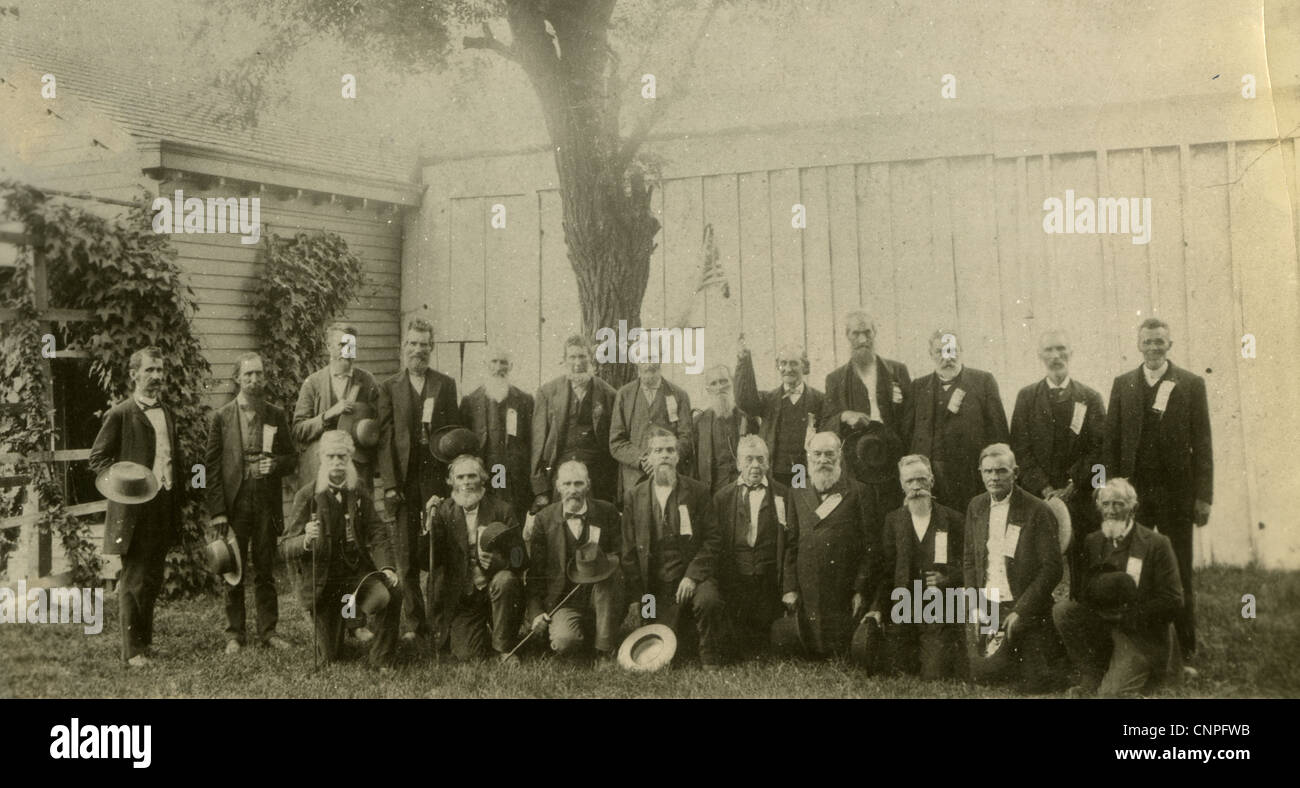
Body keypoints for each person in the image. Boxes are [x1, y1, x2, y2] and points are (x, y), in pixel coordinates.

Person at [1103, 317, 1212, 664]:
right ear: (1139, 345)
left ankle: (1186, 646)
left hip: (1177, 496)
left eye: (1159, 342)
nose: (1153, 348)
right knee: (1135, 567)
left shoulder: (1190, 384)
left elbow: (1203, 445)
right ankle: (1142, 643)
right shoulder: (1123, 385)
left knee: (1179, 568)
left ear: (1170, 345)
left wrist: (1203, 496)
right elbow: (1111, 444)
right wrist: (1112, 495)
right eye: (1147, 342)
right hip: (1136, 499)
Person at [88, 347, 185, 667]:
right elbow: (98, 460)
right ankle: (132, 652)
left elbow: (172, 458)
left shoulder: (167, 412)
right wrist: (127, 483)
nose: (156, 376)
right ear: (134, 375)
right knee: (132, 579)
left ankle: (144, 642)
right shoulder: (120, 414)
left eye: (160, 370)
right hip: (133, 510)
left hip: (163, 504)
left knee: (153, 577)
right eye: (149, 371)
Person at [279, 431, 401, 670]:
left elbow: (377, 531)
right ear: (322, 458)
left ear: (350, 458)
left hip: (355, 573)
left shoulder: (358, 490)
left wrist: (386, 567)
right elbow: (284, 546)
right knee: (331, 656)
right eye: (331, 456)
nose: (337, 463)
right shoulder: (307, 496)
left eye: (342, 457)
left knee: (393, 591)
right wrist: (305, 540)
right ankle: (340, 623)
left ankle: (381, 659)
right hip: (324, 582)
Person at [1053, 478, 1183, 697]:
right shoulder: (1093, 541)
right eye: (1105, 504)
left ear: (1133, 507)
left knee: (1109, 695)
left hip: (1139, 632)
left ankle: (1146, 670)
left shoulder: (1156, 543)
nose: (1111, 511)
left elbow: (1173, 600)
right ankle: (1092, 672)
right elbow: (1084, 591)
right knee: (1063, 611)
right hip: (1103, 624)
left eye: (1118, 504)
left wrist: (1133, 615)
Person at [204, 352, 297, 653]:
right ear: (237, 379)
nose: (254, 380)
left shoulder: (276, 414)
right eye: (248, 375)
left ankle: (269, 632)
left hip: (266, 503)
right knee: (234, 569)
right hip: (235, 503)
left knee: (266, 569)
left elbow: (292, 458)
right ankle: (234, 634)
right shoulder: (222, 417)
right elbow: (212, 467)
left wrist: (277, 465)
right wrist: (218, 511)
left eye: (259, 374)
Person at [376, 317, 460, 642]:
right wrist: (390, 486)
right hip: (402, 483)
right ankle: (414, 623)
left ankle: (438, 619)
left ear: (432, 348)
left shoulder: (445, 385)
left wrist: (445, 488)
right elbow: (385, 440)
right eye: (412, 344)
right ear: (404, 347)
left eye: (424, 345)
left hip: (435, 482)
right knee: (406, 556)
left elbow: (453, 435)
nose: (418, 350)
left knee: (436, 553)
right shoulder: (389, 387)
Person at [1010, 330, 1106, 599]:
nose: (1056, 356)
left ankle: (1080, 615)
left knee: (1084, 565)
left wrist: (1075, 483)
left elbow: (1100, 448)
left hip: (1081, 496)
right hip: (1038, 497)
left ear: (1071, 353)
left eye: (1061, 349)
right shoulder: (1027, 397)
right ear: (1040, 356)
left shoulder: (1090, 397)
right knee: (1039, 564)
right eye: (1049, 350)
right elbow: (1020, 448)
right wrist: (1045, 489)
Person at [962, 443, 1064, 692]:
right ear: (980, 472)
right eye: (988, 472)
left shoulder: (1037, 510)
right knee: (982, 674)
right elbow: (968, 560)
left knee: (1035, 681)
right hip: (988, 604)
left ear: (1015, 472)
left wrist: (1021, 611)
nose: (994, 478)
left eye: (1001, 471)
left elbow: (1052, 569)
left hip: (1023, 606)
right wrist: (975, 604)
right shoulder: (976, 506)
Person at [619, 426, 724, 668]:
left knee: (708, 600)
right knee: (658, 644)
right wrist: (638, 596)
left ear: (678, 456)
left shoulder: (697, 491)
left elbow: (713, 540)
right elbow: (628, 552)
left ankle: (710, 659)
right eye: (658, 450)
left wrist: (692, 576)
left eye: (670, 450)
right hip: (653, 584)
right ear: (648, 457)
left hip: (689, 578)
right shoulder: (634, 496)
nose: (664, 455)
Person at [781, 432, 880, 659]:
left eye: (829, 454)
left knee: (841, 649)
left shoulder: (859, 492)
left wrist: (860, 588)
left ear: (840, 456)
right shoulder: (796, 492)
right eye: (817, 454)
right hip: (808, 588)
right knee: (811, 649)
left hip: (843, 587)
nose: (823, 459)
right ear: (808, 457)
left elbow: (871, 546)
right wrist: (789, 588)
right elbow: (791, 544)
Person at [424, 455, 526, 663]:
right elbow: (429, 563)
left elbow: (521, 558)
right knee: (467, 656)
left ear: (483, 479)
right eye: (460, 477)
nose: (466, 482)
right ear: (451, 482)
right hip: (465, 596)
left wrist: (499, 562)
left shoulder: (502, 509)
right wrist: (429, 525)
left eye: (472, 476)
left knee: (505, 580)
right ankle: (476, 632)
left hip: (495, 590)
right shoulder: (443, 511)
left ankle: (503, 648)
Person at [871, 454, 965, 679]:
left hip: (939, 605)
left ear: (931, 481)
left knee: (935, 673)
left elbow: (971, 565)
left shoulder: (953, 519)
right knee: (895, 669)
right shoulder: (893, 521)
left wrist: (949, 578)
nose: (916, 487)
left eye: (921, 480)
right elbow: (886, 570)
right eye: (909, 482)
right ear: (901, 485)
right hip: (904, 605)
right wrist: (877, 607)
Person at [526, 460, 622, 662]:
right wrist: (536, 613)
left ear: (588, 485)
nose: (573, 490)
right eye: (567, 484)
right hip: (564, 600)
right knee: (565, 642)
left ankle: (604, 650)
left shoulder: (606, 512)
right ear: (558, 487)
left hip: (600, 596)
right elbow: (535, 573)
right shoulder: (544, 518)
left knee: (611, 578)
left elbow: (619, 555)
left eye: (578, 484)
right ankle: (585, 635)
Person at [905, 329, 1009, 513]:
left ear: (961, 350)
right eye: (940, 352)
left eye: (952, 350)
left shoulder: (982, 381)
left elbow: (999, 434)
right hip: (932, 480)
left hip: (970, 477)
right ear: (931, 355)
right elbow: (907, 435)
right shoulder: (918, 387)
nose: (947, 357)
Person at [712, 436, 793, 659]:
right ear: (738, 464)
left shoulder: (783, 494)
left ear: (768, 463)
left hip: (769, 577)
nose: (755, 466)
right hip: (736, 577)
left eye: (760, 459)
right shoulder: (723, 497)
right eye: (748, 459)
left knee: (770, 633)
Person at [822, 310, 912, 511]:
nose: (863, 339)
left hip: (893, 456)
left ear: (875, 333)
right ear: (847, 336)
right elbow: (825, 423)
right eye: (856, 333)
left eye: (867, 332)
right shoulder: (836, 379)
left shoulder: (897, 371)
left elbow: (910, 416)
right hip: (858, 461)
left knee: (894, 510)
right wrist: (845, 416)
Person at [530, 335, 618, 512]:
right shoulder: (547, 392)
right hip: (559, 471)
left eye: (582, 356)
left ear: (590, 358)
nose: (577, 362)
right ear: (564, 360)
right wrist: (540, 487)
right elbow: (538, 443)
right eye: (572, 357)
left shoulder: (608, 393)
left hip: (596, 475)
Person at [291, 323, 381, 491]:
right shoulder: (313, 383)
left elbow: (381, 424)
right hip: (320, 471)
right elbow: (298, 430)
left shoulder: (367, 381)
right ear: (328, 347)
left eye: (351, 346)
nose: (347, 352)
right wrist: (328, 415)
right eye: (342, 345)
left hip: (357, 470)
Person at [734, 341, 824, 488]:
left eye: (794, 363)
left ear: (805, 366)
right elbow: (745, 400)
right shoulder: (768, 399)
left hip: (805, 472)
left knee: (800, 506)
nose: (788, 369)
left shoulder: (819, 400)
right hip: (774, 472)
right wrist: (744, 361)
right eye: (783, 363)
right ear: (778, 366)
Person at [460, 346, 534, 519]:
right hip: (484, 476)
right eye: (494, 361)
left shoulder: (524, 400)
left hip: (515, 479)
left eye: (503, 362)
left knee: (514, 524)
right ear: (486, 364)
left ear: (511, 366)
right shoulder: (470, 401)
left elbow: (531, 442)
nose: (499, 367)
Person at [609, 362, 694, 497]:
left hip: (669, 476)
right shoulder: (624, 395)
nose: (648, 363)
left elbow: (686, 438)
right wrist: (642, 459)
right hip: (634, 480)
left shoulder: (679, 395)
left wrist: (662, 459)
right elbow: (616, 442)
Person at [692, 364, 754, 494]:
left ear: (732, 383)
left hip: (743, 490)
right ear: (708, 390)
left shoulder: (747, 418)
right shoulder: (698, 422)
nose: (720, 387)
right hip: (713, 492)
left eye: (723, 381)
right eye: (714, 383)